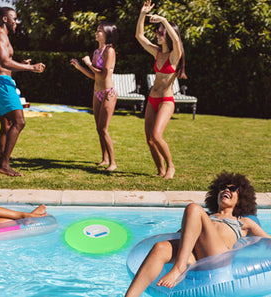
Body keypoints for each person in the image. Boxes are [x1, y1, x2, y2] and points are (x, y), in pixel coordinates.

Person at [125, 171, 270, 297]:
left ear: (241, 198)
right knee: (160, 247)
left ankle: (179, 267)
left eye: (232, 189)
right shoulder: (205, 216)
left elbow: (268, 242)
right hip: (197, 255)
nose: (226, 190)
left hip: (219, 257)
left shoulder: (244, 221)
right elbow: (180, 237)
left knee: (193, 207)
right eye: (222, 188)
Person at [0, 7, 46, 177]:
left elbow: (4, 62)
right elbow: (4, 62)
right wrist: (30, 67)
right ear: (5, 19)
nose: (16, 22)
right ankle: (4, 164)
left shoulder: (0, 36)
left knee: (6, 125)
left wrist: (20, 63)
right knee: (19, 122)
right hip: (1, 84)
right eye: (14, 18)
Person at [135, 0, 187, 179]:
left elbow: (177, 41)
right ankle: (160, 170)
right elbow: (139, 36)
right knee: (149, 139)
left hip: (166, 101)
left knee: (157, 136)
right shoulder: (157, 53)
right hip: (152, 99)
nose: (157, 34)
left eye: (161, 32)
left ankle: (171, 167)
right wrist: (142, 14)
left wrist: (164, 20)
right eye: (157, 32)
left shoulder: (175, 55)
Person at [70, 21, 118, 171]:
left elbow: (103, 74)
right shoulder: (97, 52)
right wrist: (80, 67)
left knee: (103, 129)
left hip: (108, 93)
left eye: (100, 31)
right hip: (96, 92)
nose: (97, 33)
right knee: (98, 128)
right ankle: (104, 159)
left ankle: (113, 163)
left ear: (107, 34)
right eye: (97, 30)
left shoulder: (109, 51)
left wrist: (89, 63)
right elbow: (93, 76)